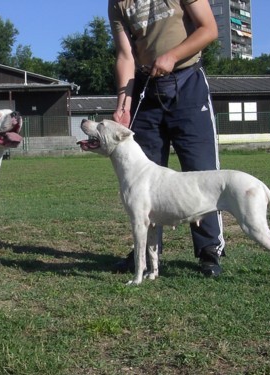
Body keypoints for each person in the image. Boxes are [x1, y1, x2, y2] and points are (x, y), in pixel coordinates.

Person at [108, 0, 225, 276]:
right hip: (148, 87)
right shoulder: (117, 3)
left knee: (202, 170)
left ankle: (209, 250)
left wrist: (173, 55)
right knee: (143, 177)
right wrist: (123, 104)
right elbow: (126, 56)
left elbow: (208, 29)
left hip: (188, 82)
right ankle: (147, 251)